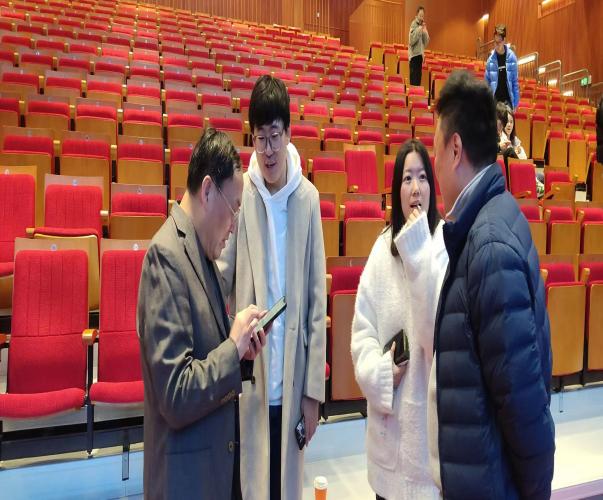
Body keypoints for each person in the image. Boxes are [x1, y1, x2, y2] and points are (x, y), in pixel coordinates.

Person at [429, 70, 555, 499]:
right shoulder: (490, 221)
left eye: (436, 150)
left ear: (455, 150)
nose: (434, 165)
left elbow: (524, 407)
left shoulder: (489, 247)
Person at [137, 128, 268, 499]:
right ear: (208, 190)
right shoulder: (166, 257)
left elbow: (206, 350)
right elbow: (175, 394)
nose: (234, 225)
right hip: (185, 481)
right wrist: (232, 346)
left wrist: (241, 353)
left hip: (210, 473)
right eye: (234, 209)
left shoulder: (202, 252)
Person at [218, 75, 326, 500]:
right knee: (251, 485)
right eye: (260, 138)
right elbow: (221, 273)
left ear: (289, 134)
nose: (267, 150)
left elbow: (316, 303)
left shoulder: (308, 199)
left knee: (284, 487)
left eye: (275, 136)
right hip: (251, 376)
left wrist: (313, 394)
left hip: (293, 377)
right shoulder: (241, 194)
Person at [351, 139, 448, 500]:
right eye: (407, 178)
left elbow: (438, 336)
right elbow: (362, 332)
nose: (415, 188)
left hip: (429, 447)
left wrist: (419, 250)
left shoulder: (444, 245)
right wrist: (380, 374)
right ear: (397, 190)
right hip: (388, 440)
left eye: (422, 177)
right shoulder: (381, 249)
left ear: (432, 187)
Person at [485, 24, 520, 110]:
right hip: (495, 103)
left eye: (499, 42)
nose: (496, 45)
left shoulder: (512, 58)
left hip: (508, 103)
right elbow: (487, 84)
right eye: (495, 42)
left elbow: (515, 83)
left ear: (504, 40)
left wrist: (515, 104)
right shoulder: (490, 60)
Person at [408, 6, 429, 87]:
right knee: (414, 82)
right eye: (420, 15)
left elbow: (426, 42)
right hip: (414, 57)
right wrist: (420, 29)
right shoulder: (413, 24)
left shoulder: (422, 26)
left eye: (423, 16)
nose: (421, 17)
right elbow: (411, 41)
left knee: (418, 82)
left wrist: (425, 31)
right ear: (416, 15)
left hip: (420, 56)